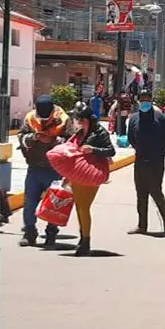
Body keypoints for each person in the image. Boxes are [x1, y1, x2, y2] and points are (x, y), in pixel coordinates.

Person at [17, 95, 69, 247]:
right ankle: (29, 233)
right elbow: (21, 136)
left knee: (54, 204)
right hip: (34, 168)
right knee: (29, 202)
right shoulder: (30, 118)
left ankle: (51, 234)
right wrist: (34, 137)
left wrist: (53, 141)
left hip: (55, 169)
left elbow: (71, 140)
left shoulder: (63, 119)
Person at [66, 102, 116, 255]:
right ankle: (83, 238)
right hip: (78, 173)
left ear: (85, 119)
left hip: (91, 172)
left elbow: (111, 151)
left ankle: (86, 241)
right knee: (79, 207)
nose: (76, 121)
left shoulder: (99, 131)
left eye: (78, 118)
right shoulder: (80, 133)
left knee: (83, 207)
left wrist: (93, 149)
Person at [126, 89, 165, 235]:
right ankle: (142, 226)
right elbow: (131, 138)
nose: (144, 102)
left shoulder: (161, 118)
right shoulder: (133, 118)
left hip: (156, 162)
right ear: (138, 101)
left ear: (151, 101)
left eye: (147, 99)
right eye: (142, 99)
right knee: (141, 194)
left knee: (156, 192)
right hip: (140, 161)